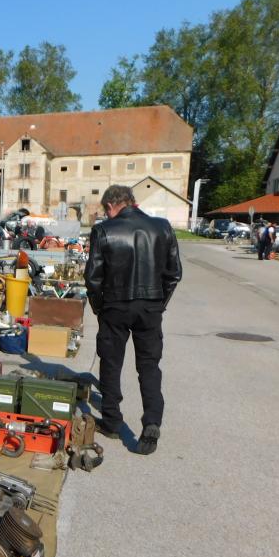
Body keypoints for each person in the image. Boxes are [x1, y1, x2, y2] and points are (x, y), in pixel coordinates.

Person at [84, 185, 182, 455]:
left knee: (111, 363)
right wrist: (159, 304)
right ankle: (152, 421)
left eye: (106, 210)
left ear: (111, 205)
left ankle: (112, 420)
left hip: (115, 305)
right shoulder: (162, 227)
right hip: (150, 305)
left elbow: (93, 278)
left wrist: (99, 308)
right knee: (149, 366)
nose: (107, 215)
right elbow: (174, 273)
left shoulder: (104, 230)